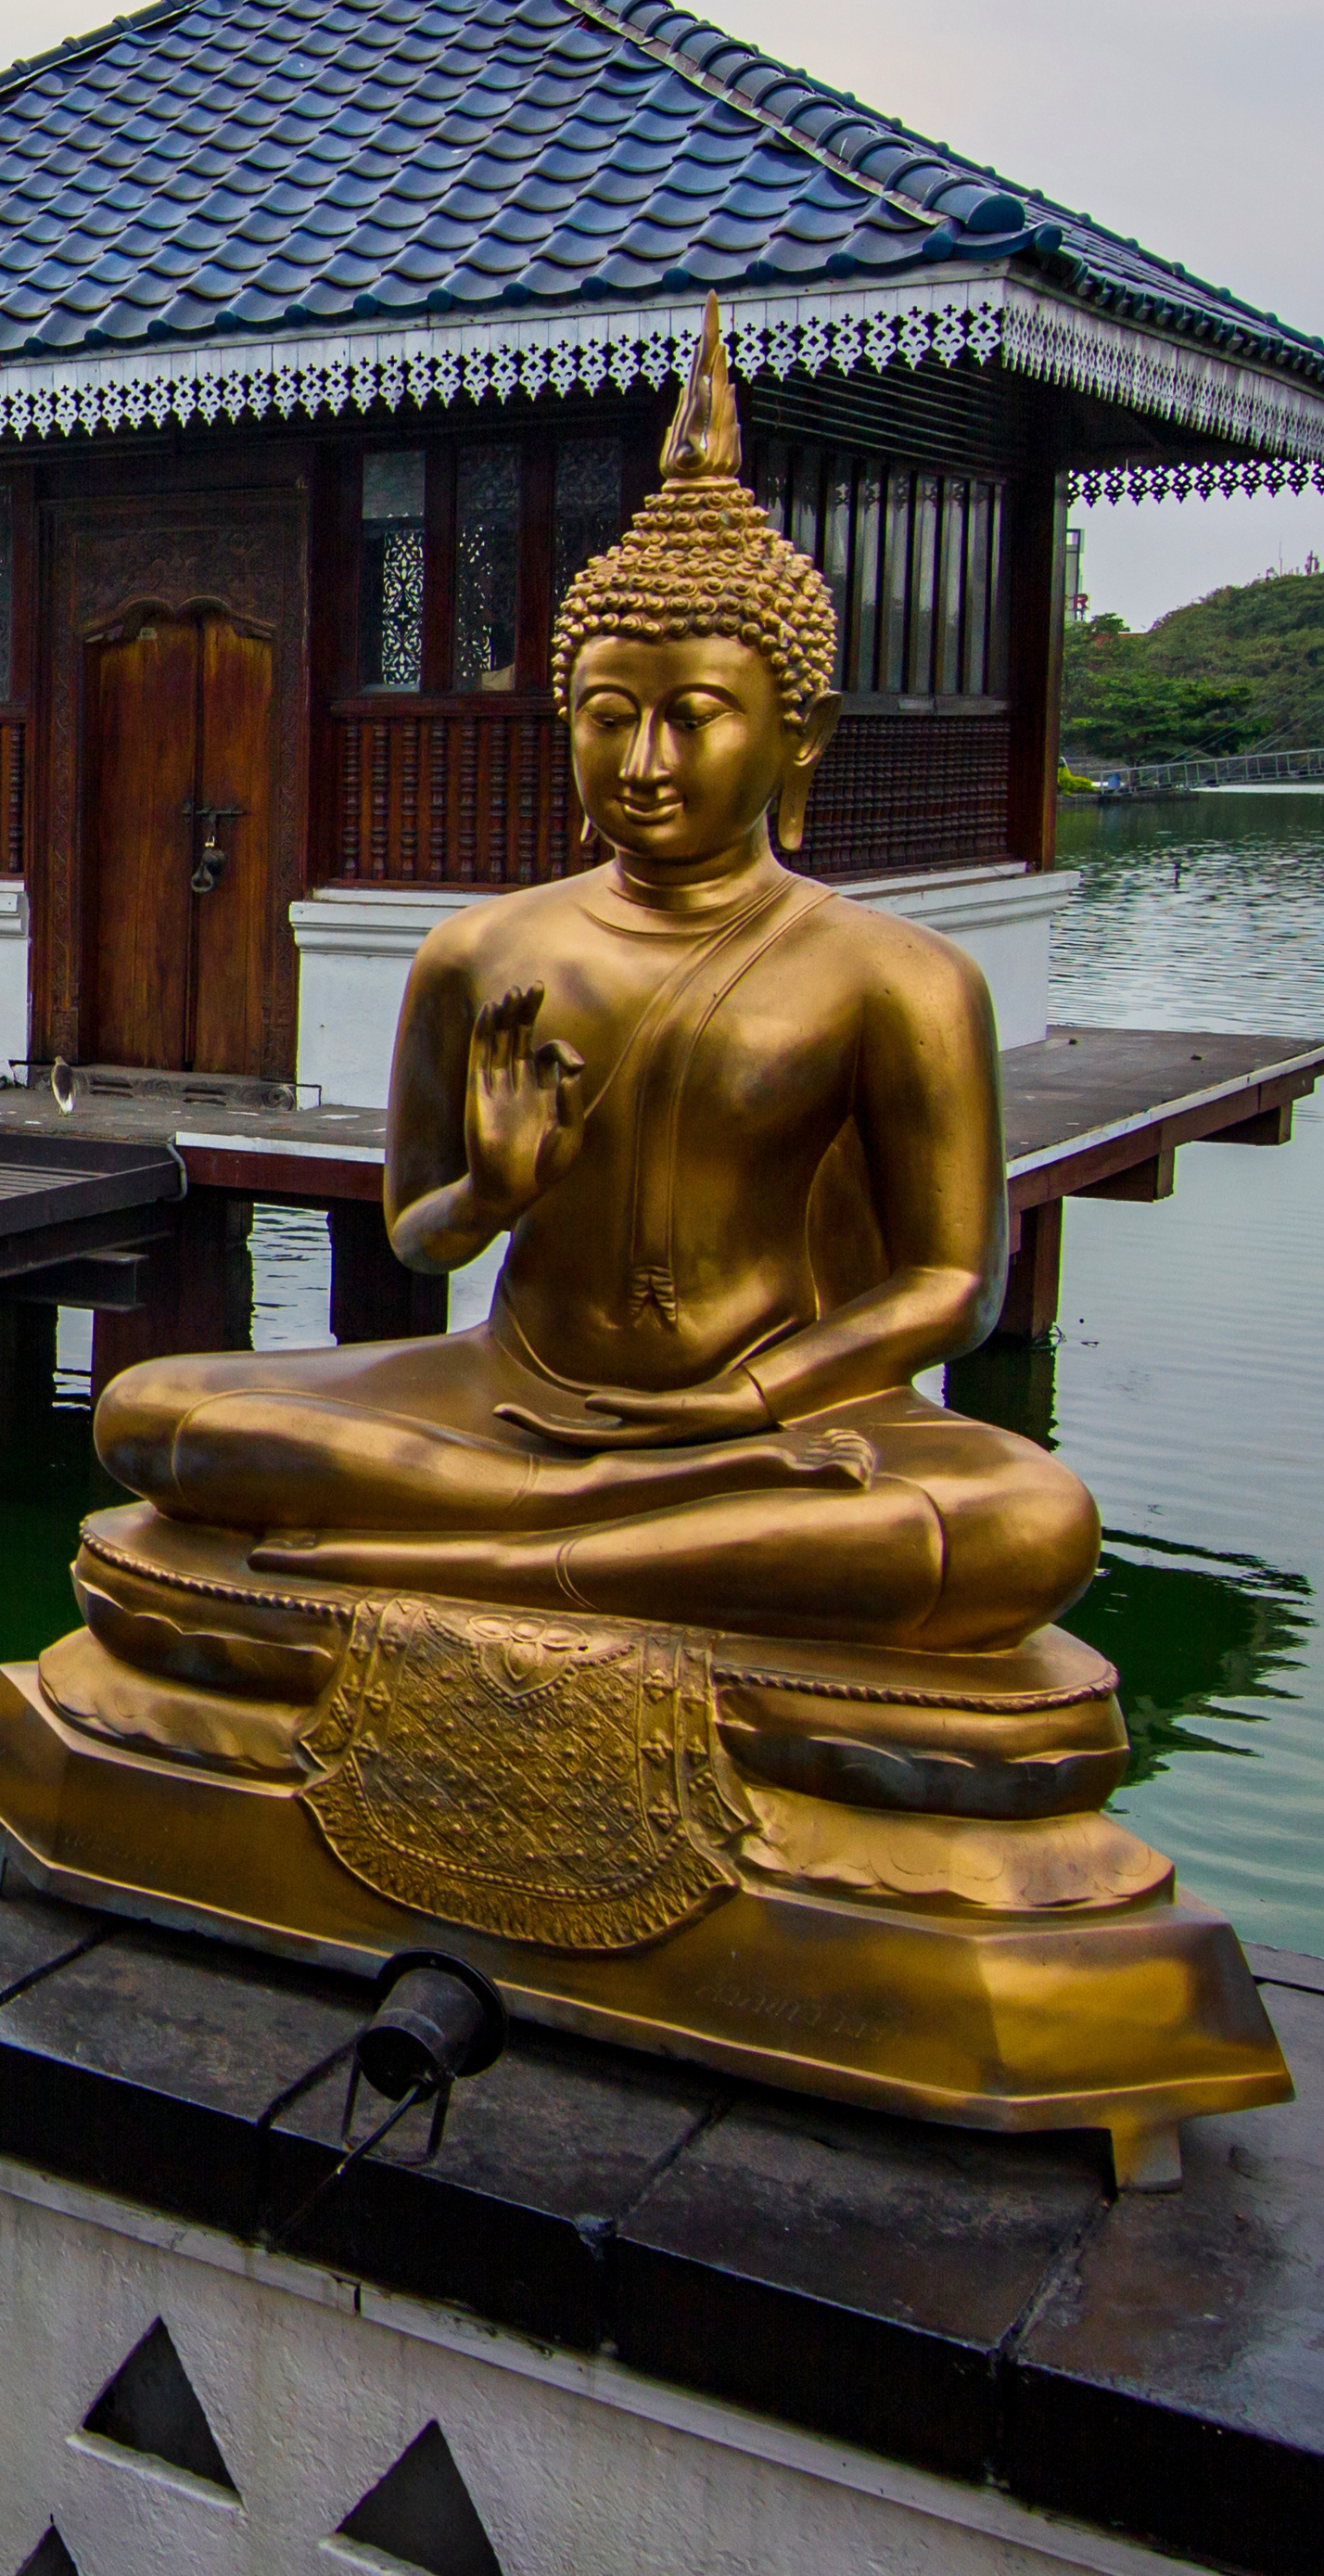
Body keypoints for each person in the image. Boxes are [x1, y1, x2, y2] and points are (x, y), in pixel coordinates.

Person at [90, 311, 1088, 1651]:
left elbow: (947, 1285)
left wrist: (746, 1405)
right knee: (151, 1416)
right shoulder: (481, 953)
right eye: (608, 717)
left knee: (1027, 1525)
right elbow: (416, 1235)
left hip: (769, 1413)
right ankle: (624, 1531)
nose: (645, 762)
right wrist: (494, 1189)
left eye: (694, 717)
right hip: (508, 1386)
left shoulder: (895, 976)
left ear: (800, 733)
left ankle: (513, 1552)